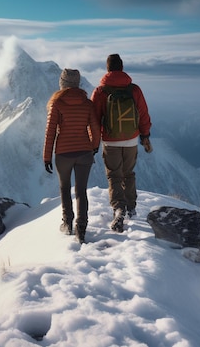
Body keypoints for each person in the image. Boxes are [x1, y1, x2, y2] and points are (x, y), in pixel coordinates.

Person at [90, 54, 152, 233]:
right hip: (131, 139)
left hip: (110, 141)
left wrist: (94, 143)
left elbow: (94, 119)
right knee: (128, 173)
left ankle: (119, 208)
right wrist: (145, 135)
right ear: (122, 67)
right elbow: (143, 113)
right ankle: (131, 207)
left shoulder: (101, 91)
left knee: (114, 176)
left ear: (107, 68)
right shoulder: (134, 89)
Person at [43, 68, 101, 244]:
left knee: (64, 188)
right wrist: (93, 146)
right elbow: (95, 128)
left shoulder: (57, 104)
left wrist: (46, 157)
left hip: (63, 154)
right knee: (81, 191)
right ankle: (81, 228)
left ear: (62, 84)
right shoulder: (87, 103)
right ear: (78, 83)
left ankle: (67, 223)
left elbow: (50, 132)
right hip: (84, 152)